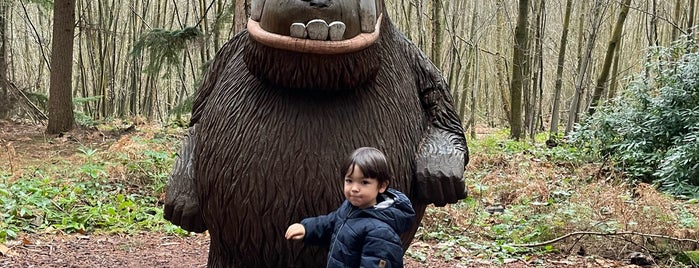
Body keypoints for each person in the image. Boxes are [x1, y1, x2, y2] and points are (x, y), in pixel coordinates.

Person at [285, 147, 416, 268]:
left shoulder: (381, 234)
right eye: (349, 180)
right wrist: (307, 228)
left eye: (364, 182)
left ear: (381, 186)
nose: (354, 188)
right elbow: (332, 222)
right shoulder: (351, 208)